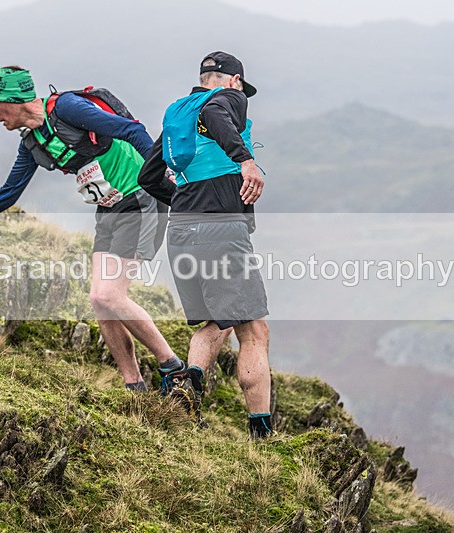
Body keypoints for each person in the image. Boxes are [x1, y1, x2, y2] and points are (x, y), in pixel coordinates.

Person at [0, 66, 186, 393]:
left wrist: (161, 178)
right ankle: (134, 385)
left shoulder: (67, 108)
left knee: (107, 294)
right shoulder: (34, 141)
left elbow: (131, 130)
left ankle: (173, 367)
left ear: (13, 100)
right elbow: (8, 194)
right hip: (109, 208)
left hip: (140, 199)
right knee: (100, 302)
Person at [138, 51, 272, 439]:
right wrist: (245, 161)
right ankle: (261, 434)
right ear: (233, 80)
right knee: (254, 330)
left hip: (181, 233)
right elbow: (218, 114)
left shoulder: (177, 115)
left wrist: (185, 199)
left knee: (215, 321)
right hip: (221, 232)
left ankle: (187, 384)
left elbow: (149, 176)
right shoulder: (228, 98)